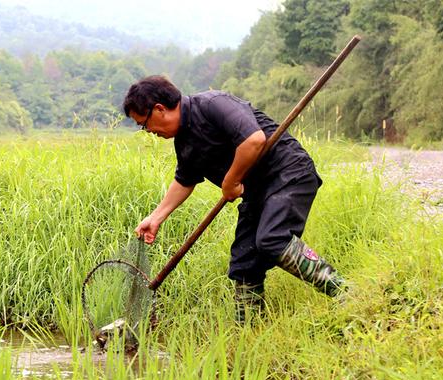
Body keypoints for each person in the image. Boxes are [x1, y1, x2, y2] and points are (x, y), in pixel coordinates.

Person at [122, 75, 345, 323]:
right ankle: (250, 332)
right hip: (257, 190)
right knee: (243, 264)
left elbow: (254, 140)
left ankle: (346, 292)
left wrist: (230, 180)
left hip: (288, 172)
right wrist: (155, 218)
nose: (149, 132)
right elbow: (185, 180)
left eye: (144, 124)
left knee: (271, 239)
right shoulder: (184, 142)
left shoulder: (213, 104)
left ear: (160, 109)